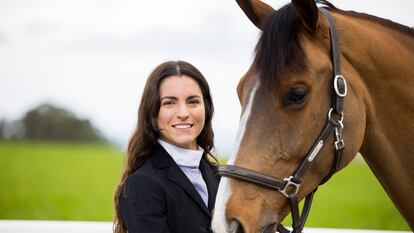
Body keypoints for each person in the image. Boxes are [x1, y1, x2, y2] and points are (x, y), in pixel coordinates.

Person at [113, 60, 220, 233]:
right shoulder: (141, 186)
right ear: (153, 114)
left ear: (206, 109)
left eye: (193, 101)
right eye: (169, 103)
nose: (183, 113)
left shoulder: (220, 178)